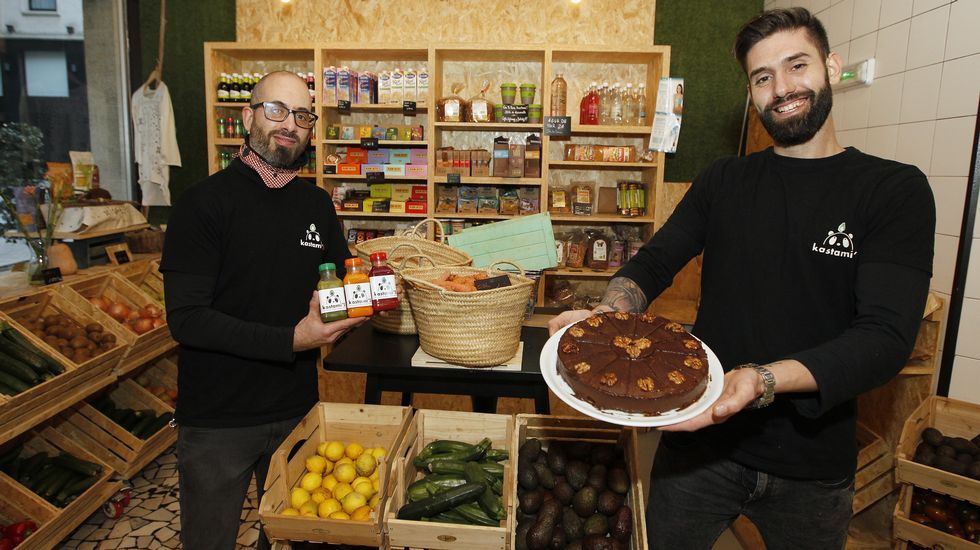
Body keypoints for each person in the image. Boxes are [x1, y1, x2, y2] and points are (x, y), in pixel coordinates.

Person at [549, 8, 935, 550]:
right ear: (751, 95)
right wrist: (609, 315)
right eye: (762, 77)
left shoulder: (893, 190)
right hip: (701, 445)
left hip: (812, 462)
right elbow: (655, 261)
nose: (782, 88)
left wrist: (763, 378)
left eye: (797, 65)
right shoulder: (725, 179)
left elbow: (885, 338)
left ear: (831, 66)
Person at [160, 71, 366, 550]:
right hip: (217, 419)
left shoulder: (316, 204)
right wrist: (292, 340)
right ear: (246, 116)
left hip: (295, 409)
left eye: (301, 116)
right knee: (209, 540)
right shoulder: (203, 204)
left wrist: (375, 292)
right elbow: (186, 318)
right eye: (276, 110)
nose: (289, 125)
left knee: (297, 536)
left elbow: (340, 284)